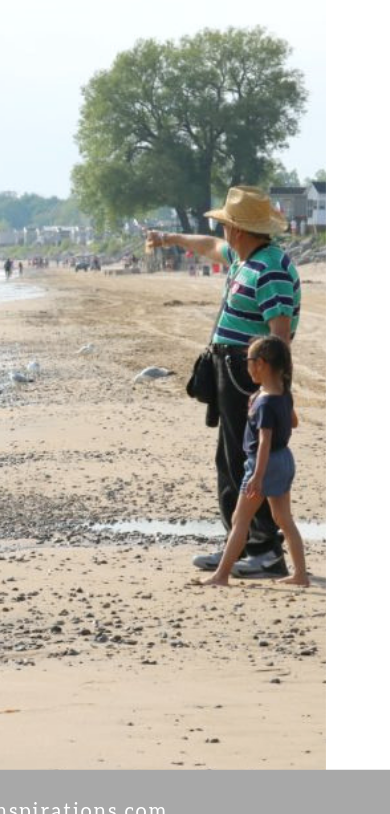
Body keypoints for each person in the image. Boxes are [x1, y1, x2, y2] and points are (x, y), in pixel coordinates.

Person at [147, 186, 301, 578]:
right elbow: (209, 246)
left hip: (250, 372)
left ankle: (264, 552)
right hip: (234, 368)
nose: (224, 232)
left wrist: (276, 390)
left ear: (239, 228)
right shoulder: (244, 256)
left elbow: (279, 334)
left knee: (247, 461)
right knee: (230, 460)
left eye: (227, 225)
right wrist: (169, 238)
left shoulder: (270, 268)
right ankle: (240, 544)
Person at [200, 335, 308, 587]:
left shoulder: (264, 403)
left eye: (247, 360)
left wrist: (257, 477)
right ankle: (301, 574)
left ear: (260, 363)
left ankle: (221, 575)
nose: (246, 365)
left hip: (264, 463)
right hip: (284, 460)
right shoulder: (281, 393)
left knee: (240, 519)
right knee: (284, 519)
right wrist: (262, 401)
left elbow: (264, 443)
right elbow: (293, 422)